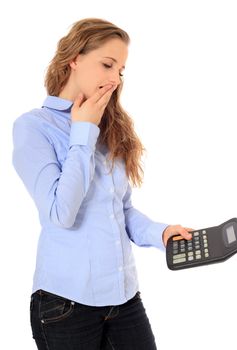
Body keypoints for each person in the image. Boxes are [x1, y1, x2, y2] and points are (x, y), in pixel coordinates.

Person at [12, 17, 193, 350]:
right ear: (75, 59)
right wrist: (83, 131)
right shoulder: (33, 127)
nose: (115, 79)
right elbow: (60, 213)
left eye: (121, 70)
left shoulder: (108, 129)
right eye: (107, 64)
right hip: (65, 307)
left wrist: (161, 233)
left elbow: (120, 210)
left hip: (124, 301)